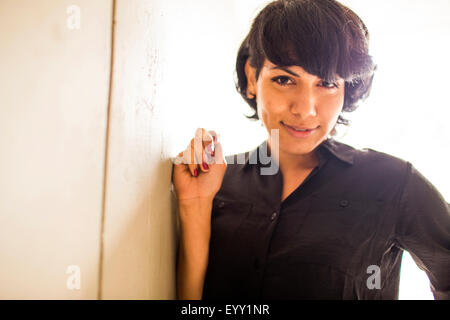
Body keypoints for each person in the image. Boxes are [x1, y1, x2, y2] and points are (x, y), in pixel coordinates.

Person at [171, 0, 450, 300]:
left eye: (327, 83)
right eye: (284, 79)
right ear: (252, 77)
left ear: (348, 88)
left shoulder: (392, 183)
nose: (305, 109)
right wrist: (195, 207)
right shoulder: (215, 182)